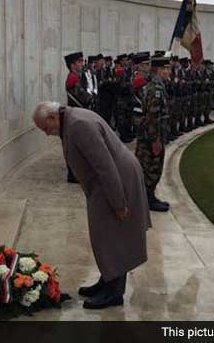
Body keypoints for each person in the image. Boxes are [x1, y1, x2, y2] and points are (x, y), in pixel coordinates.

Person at [33, 102, 152, 309]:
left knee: (113, 235)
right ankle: (107, 279)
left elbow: (105, 166)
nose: (46, 134)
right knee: (104, 234)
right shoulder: (70, 120)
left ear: (53, 118)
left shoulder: (78, 125)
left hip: (116, 181)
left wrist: (119, 203)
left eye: (45, 128)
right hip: (104, 183)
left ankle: (114, 293)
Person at [135, 56, 171, 212]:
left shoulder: (156, 85)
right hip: (151, 137)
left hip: (151, 135)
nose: (168, 71)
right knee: (151, 169)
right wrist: (155, 139)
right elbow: (153, 116)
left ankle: (148, 197)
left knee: (148, 168)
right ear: (158, 70)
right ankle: (148, 199)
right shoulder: (156, 88)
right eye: (165, 68)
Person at [64, 51, 90, 183]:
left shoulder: (77, 76)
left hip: (77, 115)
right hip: (76, 116)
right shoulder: (73, 78)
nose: (82, 64)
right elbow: (82, 98)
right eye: (79, 62)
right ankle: (73, 175)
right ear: (72, 65)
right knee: (75, 147)